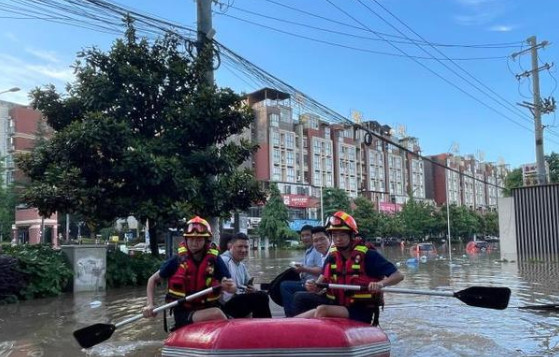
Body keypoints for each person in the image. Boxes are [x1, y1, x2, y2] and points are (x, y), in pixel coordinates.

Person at [296, 211, 404, 326]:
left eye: (342, 235)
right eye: (335, 235)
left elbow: (398, 276)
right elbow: (319, 287)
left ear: (352, 235)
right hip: (337, 305)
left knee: (322, 310)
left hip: (361, 310)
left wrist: (381, 284)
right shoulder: (332, 257)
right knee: (299, 318)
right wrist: (313, 286)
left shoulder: (369, 256)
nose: (338, 239)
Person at [142, 216, 236, 330]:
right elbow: (152, 280)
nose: (194, 243)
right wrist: (150, 304)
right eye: (191, 239)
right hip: (184, 313)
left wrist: (229, 286)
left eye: (199, 239)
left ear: (206, 241)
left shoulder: (214, 260)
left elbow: (233, 288)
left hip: (208, 307)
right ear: (186, 239)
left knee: (225, 311)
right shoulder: (176, 261)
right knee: (216, 313)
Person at [219, 232, 272, 318]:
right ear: (231, 246)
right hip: (225, 305)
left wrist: (252, 290)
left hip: (237, 300)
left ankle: (261, 325)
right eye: (240, 246)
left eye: (246, 247)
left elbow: (247, 284)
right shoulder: (223, 261)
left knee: (260, 294)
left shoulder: (241, 265)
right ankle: (265, 328)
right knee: (261, 297)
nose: (243, 250)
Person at [279, 224, 323, 317]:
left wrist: (303, 269)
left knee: (285, 286)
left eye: (307, 235)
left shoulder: (317, 250)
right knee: (284, 281)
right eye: (302, 236)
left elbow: (321, 270)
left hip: (314, 284)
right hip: (305, 281)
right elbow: (307, 267)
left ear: (313, 236)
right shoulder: (308, 251)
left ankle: (291, 315)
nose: (305, 238)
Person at [292, 225, 332, 316]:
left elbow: (321, 277)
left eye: (322, 239)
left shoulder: (332, 255)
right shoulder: (323, 256)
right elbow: (319, 282)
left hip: (333, 299)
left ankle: (295, 322)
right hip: (326, 292)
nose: (319, 243)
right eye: (316, 241)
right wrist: (311, 284)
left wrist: (314, 286)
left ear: (329, 238)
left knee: (298, 296)